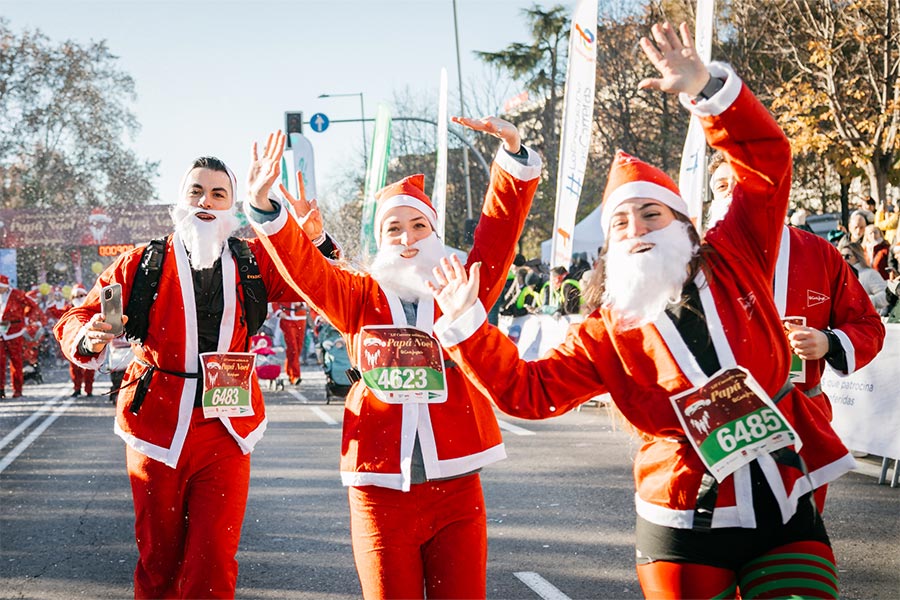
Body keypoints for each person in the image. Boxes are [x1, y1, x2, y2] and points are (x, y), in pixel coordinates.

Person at [428, 22, 853, 599]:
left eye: (652, 214)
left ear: (683, 222)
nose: (638, 229)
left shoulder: (736, 255)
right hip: (681, 519)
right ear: (608, 246)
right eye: (622, 223)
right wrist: (467, 325)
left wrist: (707, 91)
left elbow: (766, 165)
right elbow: (529, 391)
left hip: (782, 499)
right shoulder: (605, 331)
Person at [243, 117, 540, 599]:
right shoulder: (358, 294)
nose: (407, 238)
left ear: (435, 230)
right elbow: (307, 271)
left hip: (458, 485)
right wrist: (265, 208)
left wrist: (512, 156)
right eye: (394, 228)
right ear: (382, 239)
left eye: (419, 225)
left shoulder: (464, 284)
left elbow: (500, 230)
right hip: (378, 489)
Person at [54, 154, 337, 599]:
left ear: (232, 206)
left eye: (218, 193)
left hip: (228, 430)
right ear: (180, 200)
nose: (206, 201)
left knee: (214, 560)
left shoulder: (253, 261)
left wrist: (315, 238)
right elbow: (78, 315)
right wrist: (88, 337)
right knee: (158, 562)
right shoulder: (141, 263)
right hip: (156, 423)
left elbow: (316, 280)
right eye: (196, 192)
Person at [706, 150, 885, 511]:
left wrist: (829, 341)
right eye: (720, 187)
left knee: (797, 537)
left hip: (802, 417)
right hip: (724, 422)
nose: (729, 194)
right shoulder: (700, 259)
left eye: (737, 185)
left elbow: (869, 326)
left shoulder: (819, 253)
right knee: (726, 534)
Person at [0, 274, 44, 399]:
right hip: (0, 332)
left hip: (14, 331)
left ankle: (17, 390)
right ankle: (0, 390)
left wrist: (24, 317)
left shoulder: (16, 294)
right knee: (0, 362)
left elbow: (32, 306)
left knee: (16, 362)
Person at [841, 242, 888, 311]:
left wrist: (865, 302)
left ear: (857, 257)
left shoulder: (869, 274)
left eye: (848, 256)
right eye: (841, 256)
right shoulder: (839, 276)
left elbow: (885, 295)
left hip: (867, 316)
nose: (844, 259)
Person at [271, 301, 308, 385]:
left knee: (298, 348)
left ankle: (290, 370)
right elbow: (275, 297)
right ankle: (295, 375)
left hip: (300, 317)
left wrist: (302, 304)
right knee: (293, 347)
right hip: (286, 318)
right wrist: (278, 312)